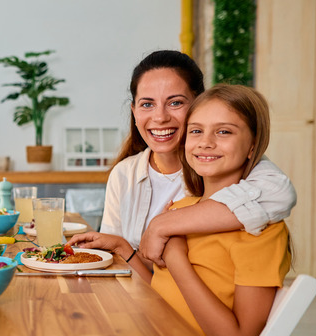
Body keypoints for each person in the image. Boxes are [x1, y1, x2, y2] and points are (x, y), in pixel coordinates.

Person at [68, 50, 294, 277]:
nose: (160, 117)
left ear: (200, 105)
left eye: (175, 102)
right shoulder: (125, 173)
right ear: (134, 112)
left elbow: (279, 193)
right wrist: (120, 246)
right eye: (147, 104)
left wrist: (165, 223)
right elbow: (116, 265)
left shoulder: (222, 166)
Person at [151, 84, 290, 336]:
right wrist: (123, 249)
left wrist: (176, 256)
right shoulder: (182, 210)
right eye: (196, 131)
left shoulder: (259, 229)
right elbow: (163, 290)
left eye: (224, 131)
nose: (205, 142)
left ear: (253, 146)